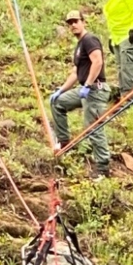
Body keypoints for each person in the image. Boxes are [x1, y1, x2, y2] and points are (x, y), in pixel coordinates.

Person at [50, 10, 112, 179]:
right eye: (69, 23)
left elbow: (97, 61)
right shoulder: (79, 46)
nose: (73, 25)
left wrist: (88, 84)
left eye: (76, 21)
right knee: (58, 103)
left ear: (83, 21)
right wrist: (61, 90)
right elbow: (76, 72)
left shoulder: (89, 40)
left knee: (92, 127)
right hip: (85, 89)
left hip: (95, 90)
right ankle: (64, 142)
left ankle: (103, 168)